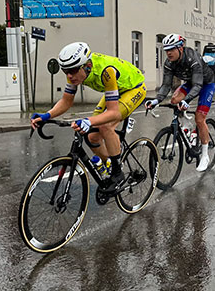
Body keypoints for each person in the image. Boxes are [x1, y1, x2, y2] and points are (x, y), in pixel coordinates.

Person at [30, 42, 146, 192]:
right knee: (92, 137)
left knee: (105, 125)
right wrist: (47, 115)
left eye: (72, 70)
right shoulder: (74, 73)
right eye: (65, 71)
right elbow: (66, 101)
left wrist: (88, 120)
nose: (69, 76)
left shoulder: (106, 71)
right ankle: (110, 163)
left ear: (86, 65)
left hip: (133, 88)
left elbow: (113, 113)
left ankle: (118, 173)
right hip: (115, 90)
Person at [145, 33, 215, 172]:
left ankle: (205, 156)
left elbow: (198, 85)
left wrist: (187, 101)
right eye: (166, 50)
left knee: (200, 118)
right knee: (175, 100)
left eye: (171, 49)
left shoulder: (192, 58)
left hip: (205, 84)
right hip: (191, 83)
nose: (168, 53)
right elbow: (166, 85)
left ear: (180, 48)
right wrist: (156, 100)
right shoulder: (169, 63)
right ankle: (186, 124)